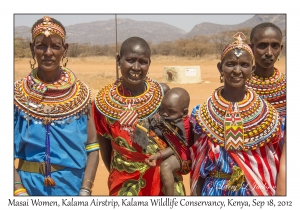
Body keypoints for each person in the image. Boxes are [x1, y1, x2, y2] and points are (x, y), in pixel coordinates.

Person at [14, 16, 99, 196]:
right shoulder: (17, 95)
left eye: (55, 46)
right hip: (29, 188)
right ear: (32, 49)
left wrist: (85, 189)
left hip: (72, 187)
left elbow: (92, 147)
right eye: (41, 46)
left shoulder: (81, 95)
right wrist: (18, 190)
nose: (48, 52)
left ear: (65, 50)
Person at [189, 32, 282, 196]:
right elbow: (197, 163)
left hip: (253, 191)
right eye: (230, 64)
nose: (237, 70)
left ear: (252, 69)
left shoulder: (268, 115)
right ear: (220, 68)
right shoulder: (201, 114)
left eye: (244, 65)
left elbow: (270, 162)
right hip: (213, 191)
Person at [93, 37, 185, 196]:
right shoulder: (103, 103)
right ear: (118, 60)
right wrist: (124, 172)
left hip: (164, 182)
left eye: (143, 62)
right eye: (130, 60)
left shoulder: (163, 93)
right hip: (124, 183)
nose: (136, 67)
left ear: (149, 63)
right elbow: (106, 149)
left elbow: (179, 139)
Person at [145, 87, 193, 195]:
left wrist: (158, 155)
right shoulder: (168, 120)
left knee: (165, 167)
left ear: (184, 112)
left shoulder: (184, 127)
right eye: (162, 109)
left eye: (171, 111)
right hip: (175, 151)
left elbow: (178, 148)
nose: (165, 114)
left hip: (185, 157)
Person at [246, 22, 286, 143]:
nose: (269, 52)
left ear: (281, 48)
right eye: (262, 45)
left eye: (275, 46)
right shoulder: (239, 87)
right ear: (251, 48)